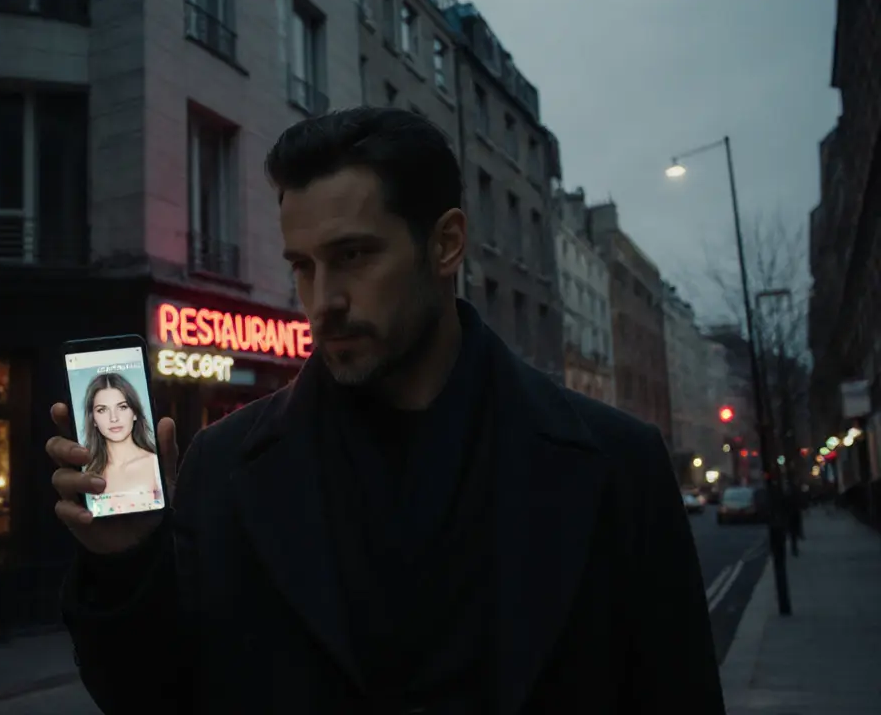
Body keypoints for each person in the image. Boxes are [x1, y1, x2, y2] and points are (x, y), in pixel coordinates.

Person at [47, 107, 724, 713]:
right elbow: (155, 697)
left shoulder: (617, 464)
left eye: (353, 256)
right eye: (303, 265)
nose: (322, 300)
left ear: (446, 243)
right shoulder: (223, 466)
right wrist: (127, 566)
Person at [77, 372, 161, 515]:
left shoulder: (154, 464)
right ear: (93, 420)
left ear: (134, 412)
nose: (113, 418)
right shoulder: (88, 473)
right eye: (102, 410)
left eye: (122, 407)